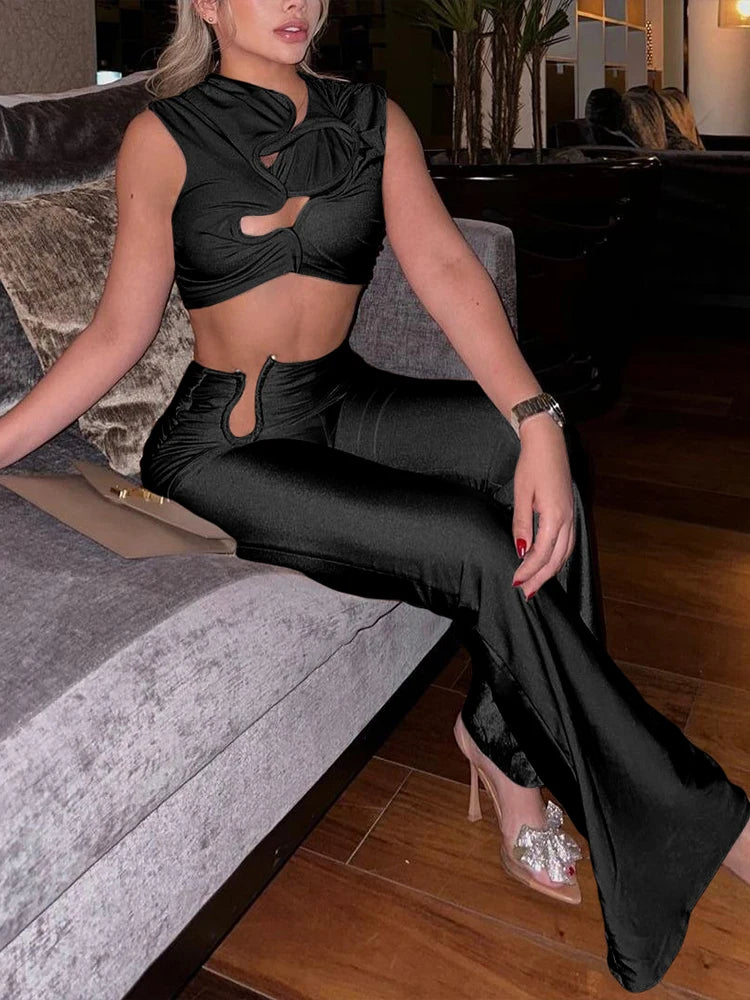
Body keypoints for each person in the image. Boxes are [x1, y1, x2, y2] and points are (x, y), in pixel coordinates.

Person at [1, 0, 748, 992]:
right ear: (206, 5)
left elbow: (440, 264)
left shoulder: (369, 118)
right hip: (226, 446)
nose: (295, 2)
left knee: (537, 452)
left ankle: (504, 743)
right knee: (473, 539)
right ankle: (700, 818)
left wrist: (534, 415)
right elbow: (115, 334)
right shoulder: (162, 135)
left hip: (340, 398)